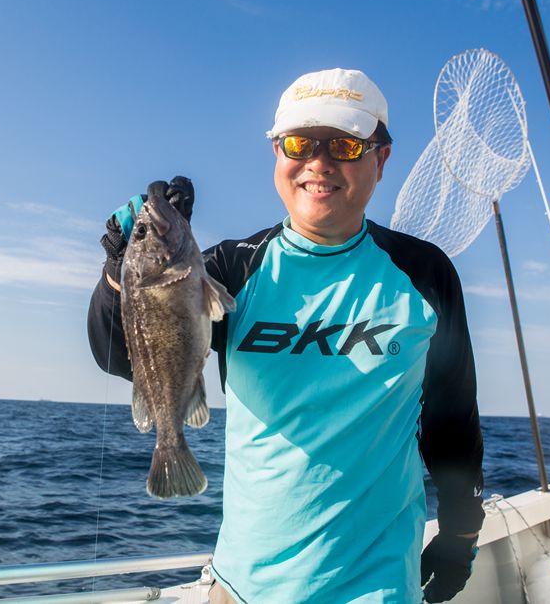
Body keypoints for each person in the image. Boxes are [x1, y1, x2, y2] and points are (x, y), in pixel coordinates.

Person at [87, 68, 484, 603]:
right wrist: (120, 273)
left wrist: (459, 533)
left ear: (380, 158)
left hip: (378, 588)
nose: (318, 162)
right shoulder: (230, 268)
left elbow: (452, 420)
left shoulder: (423, 274)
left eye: (344, 144)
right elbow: (122, 356)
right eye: (299, 143)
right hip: (241, 586)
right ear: (277, 153)